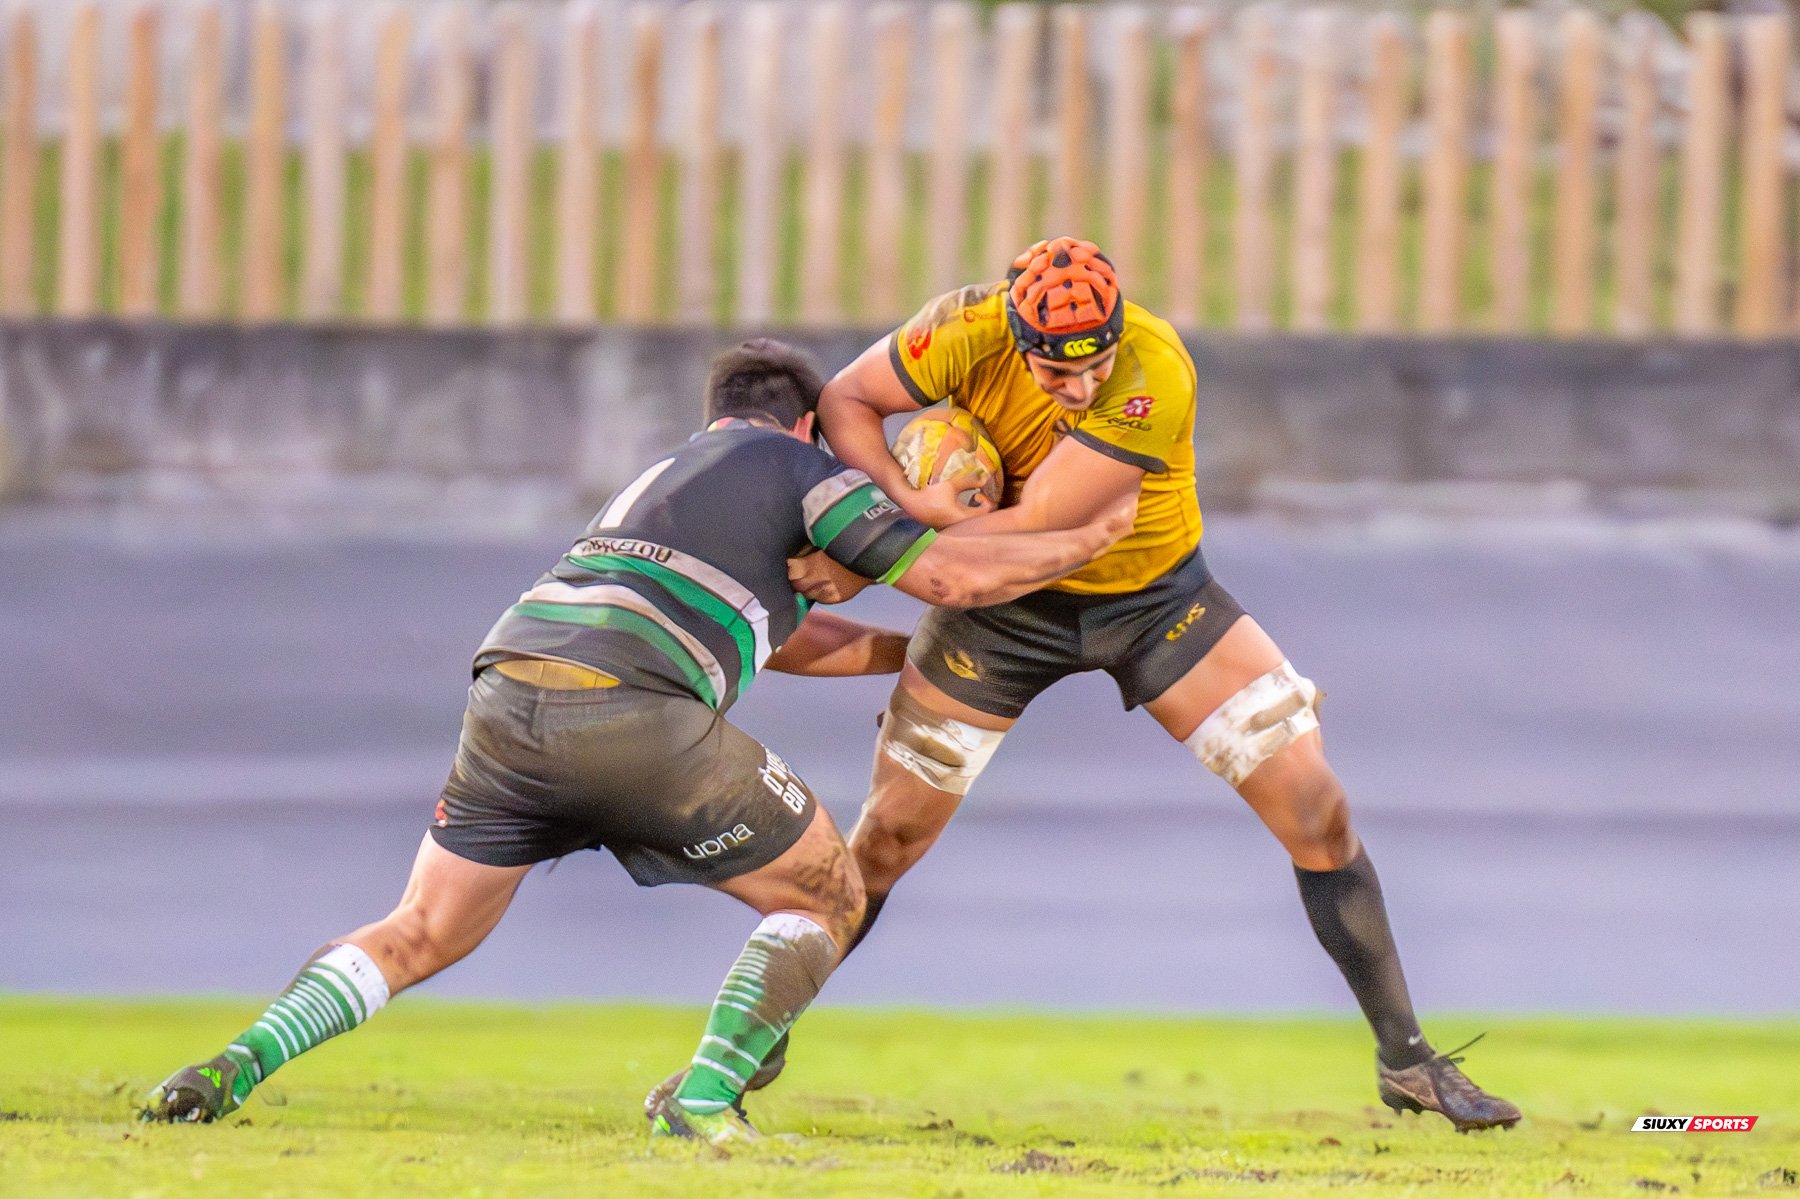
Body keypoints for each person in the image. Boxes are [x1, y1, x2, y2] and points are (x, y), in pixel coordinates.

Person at [140, 338, 1131, 1145]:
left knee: (418, 931)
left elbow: (764, 631)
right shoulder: (799, 465)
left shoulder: (669, 477)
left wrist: (895, 655)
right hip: (630, 713)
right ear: (806, 422)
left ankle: (235, 1063)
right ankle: (701, 1101)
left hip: (508, 697)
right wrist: (1081, 542)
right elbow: (951, 579)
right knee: (826, 889)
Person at [788, 237, 1520, 1131]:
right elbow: (847, 398)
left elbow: (1049, 520)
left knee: (1319, 811)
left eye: (1094, 364)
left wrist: (892, 539)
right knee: (887, 842)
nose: (1082, 386)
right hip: (1000, 616)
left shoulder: (1153, 366)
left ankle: (1406, 1059)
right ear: (1015, 340)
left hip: (1152, 599)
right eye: (1058, 374)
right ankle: (743, 1044)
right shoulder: (965, 326)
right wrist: (911, 494)